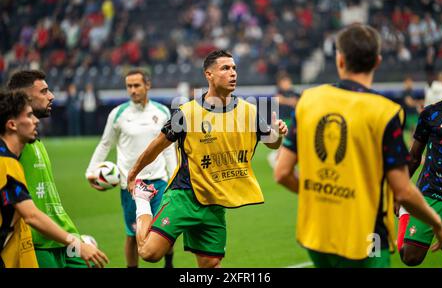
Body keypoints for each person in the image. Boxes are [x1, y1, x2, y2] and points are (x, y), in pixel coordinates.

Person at [274, 24, 442, 268]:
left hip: (316, 233)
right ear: (377, 61)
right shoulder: (386, 112)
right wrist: (436, 223)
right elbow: (403, 190)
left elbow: (281, 173)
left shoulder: (309, 101)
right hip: (366, 236)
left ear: (340, 60)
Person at [127, 50, 288, 268]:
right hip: (184, 196)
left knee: (210, 264)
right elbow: (156, 146)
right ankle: (142, 200)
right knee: (149, 253)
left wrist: (277, 133)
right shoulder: (187, 113)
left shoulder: (249, 112)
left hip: (215, 200)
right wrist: (134, 173)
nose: (233, 73)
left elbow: (271, 143)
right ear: (209, 75)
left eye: (234, 68)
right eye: (225, 68)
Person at [7, 70, 108, 268]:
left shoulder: (34, 140)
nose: (51, 96)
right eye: (44, 91)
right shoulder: (11, 145)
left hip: (63, 237)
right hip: (38, 243)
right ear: (24, 97)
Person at [85, 69, 177, 268]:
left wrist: (174, 176)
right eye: (129, 86)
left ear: (147, 86)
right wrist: (90, 172)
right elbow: (105, 144)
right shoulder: (118, 114)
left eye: (137, 85)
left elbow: (169, 147)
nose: (133, 90)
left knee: (167, 230)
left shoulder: (162, 112)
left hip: (160, 181)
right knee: (133, 234)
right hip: (131, 184)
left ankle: (169, 265)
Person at [399, 75, 442, 268]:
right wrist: (400, 190)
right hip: (433, 193)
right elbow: (413, 157)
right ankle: (406, 215)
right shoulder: (432, 114)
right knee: (410, 257)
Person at [267, 72, 300, 168]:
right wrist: (290, 101)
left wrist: (285, 100)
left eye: (287, 81)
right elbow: (278, 100)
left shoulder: (294, 93)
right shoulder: (278, 93)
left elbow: (296, 102)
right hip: (283, 122)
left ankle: (281, 160)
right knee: (285, 144)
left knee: (287, 145)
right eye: (284, 82)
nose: (286, 84)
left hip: (293, 122)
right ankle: (279, 160)